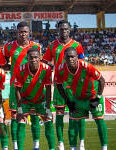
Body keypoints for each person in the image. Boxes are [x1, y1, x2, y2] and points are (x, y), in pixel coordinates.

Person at [42, 20, 84, 150]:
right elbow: (45, 62)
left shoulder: (77, 45)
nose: (63, 31)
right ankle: (60, 143)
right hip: (59, 84)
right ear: (57, 30)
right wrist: (52, 66)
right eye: (61, 29)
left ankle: (80, 143)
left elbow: (82, 63)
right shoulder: (52, 46)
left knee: (76, 114)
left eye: (66, 29)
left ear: (69, 30)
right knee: (59, 115)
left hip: (74, 86)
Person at [55, 47, 107, 150]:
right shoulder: (60, 69)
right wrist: (67, 100)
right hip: (77, 98)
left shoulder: (86, 66)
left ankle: (104, 148)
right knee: (73, 122)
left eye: (73, 56)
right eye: (68, 57)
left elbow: (101, 80)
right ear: (64, 58)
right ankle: (73, 148)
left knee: (99, 120)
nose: (70, 59)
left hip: (93, 96)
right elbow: (59, 85)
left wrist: (98, 97)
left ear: (77, 57)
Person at [2, 21, 41, 150]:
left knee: (35, 115)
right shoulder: (9, 47)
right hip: (15, 87)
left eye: (25, 32)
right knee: (15, 116)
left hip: (32, 86)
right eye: (20, 32)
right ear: (16, 33)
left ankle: (36, 145)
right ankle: (16, 146)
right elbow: (3, 63)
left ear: (28, 33)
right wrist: (14, 71)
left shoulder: (36, 46)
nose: (23, 34)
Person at [14, 48, 55, 150]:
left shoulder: (46, 69)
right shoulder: (21, 69)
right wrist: (19, 109)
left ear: (40, 57)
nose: (33, 59)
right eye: (31, 58)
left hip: (41, 99)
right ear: (27, 58)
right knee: (21, 121)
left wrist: (48, 108)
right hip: (25, 100)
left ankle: (51, 148)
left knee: (48, 120)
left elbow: (48, 88)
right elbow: (17, 90)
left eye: (36, 57)